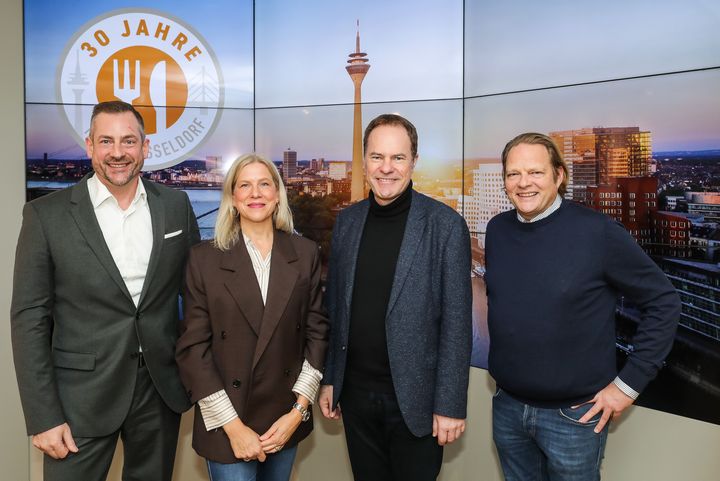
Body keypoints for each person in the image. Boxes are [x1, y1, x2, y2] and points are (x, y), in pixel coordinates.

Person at [10, 100, 200, 481]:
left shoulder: (176, 206)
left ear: (145, 148)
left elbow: (197, 297)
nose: (118, 152)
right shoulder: (46, 215)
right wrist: (43, 416)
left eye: (128, 141)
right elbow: (29, 319)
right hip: (78, 398)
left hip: (158, 391)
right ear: (90, 146)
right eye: (106, 141)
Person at [485, 132, 681, 481]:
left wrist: (627, 385)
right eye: (513, 173)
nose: (523, 183)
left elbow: (663, 301)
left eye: (535, 172)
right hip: (508, 408)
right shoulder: (497, 230)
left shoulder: (598, 233)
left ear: (559, 176)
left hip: (574, 418)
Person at [318, 114, 473, 481]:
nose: (386, 168)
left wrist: (449, 405)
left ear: (414, 162)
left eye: (398, 158)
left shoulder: (445, 226)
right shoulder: (348, 222)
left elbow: (457, 323)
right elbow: (335, 308)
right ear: (365, 161)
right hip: (355, 397)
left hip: (416, 403)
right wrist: (330, 378)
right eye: (377, 157)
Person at [175, 153, 328, 481]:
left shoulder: (304, 254)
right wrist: (233, 427)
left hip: (283, 419)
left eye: (264, 184)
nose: (255, 193)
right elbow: (193, 350)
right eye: (244, 185)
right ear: (232, 197)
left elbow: (317, 334)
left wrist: (297, 413)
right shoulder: (204, 260)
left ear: (277, 195)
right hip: (226, 418)